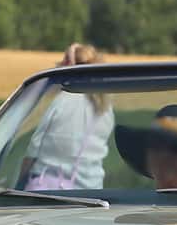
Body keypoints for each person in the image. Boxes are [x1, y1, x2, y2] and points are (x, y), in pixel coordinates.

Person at [21, 43, 113, 190]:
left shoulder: (60, 100)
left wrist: (19, 181)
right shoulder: (105, 108)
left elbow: (35, 147)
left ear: (68, 66)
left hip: (49, 193)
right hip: (92, 192)